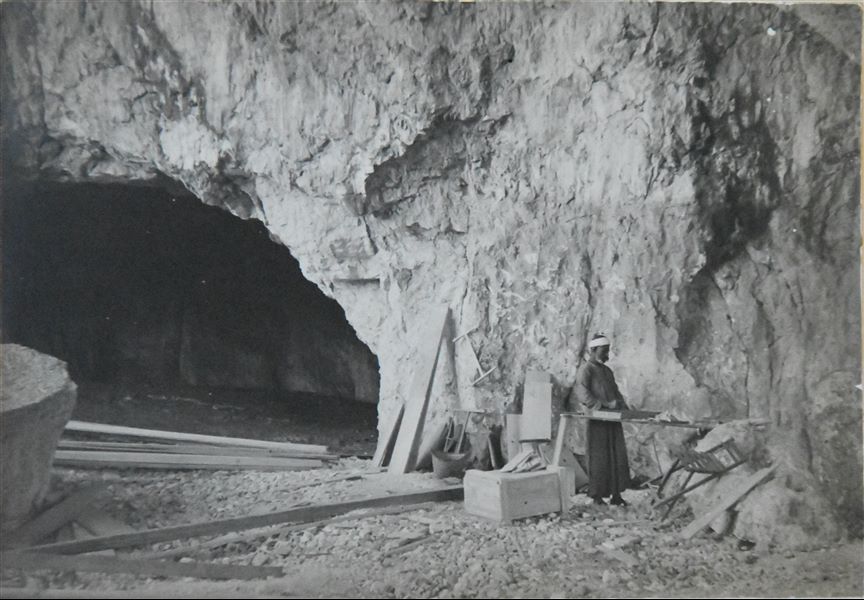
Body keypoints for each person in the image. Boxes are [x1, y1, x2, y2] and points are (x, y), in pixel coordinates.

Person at [573, 333, 631, 506]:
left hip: (613, 420)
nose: (607, 354)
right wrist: (604, 405)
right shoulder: (586, 369)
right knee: (599, 458)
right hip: (597, 421)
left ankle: (616, 495)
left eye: (608, 350)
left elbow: (616, 392)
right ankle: (597, 497)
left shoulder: (607, 371)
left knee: (617, 456)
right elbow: (582, 393)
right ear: (593, 350)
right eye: (604, 350)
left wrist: (624, 407)